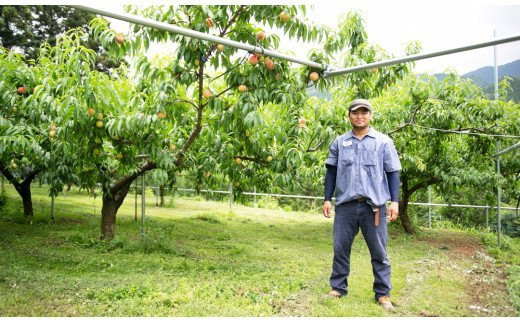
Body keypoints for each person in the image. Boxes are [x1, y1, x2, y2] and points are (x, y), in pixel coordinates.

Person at [322, 98, 401, 311]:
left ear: (370, 116)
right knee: (340, 249)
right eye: (355, 112)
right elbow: (331, 172)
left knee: (379, 252)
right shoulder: (339, 142)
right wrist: (327, 199)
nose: (360, 116)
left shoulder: (383, 142)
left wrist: (395, 201)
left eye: (364, 112)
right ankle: (338, 287)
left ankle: (383, 294)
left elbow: (393, 172)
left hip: (373, 208)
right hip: (346, 205)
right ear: (349, 116)